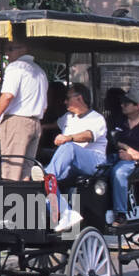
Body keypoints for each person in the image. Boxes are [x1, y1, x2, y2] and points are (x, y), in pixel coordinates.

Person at [37, 82, 108, 231]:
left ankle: (45, 175)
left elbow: (88, 135)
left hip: (95, 161)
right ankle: (65, 212)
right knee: (49, 183)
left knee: (67, 148)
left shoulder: (97, 118)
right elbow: (54, 125)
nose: (65, 102)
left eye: (68, 98)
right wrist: (41, 128)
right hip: (71, 164)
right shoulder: (68, 117)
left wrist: (68, 137)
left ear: (79, 98)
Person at [0, 40, 49, 180]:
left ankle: (8, 200)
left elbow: (7, 95)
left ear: (23, 49)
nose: (7, 53)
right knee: (26, 172)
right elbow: (44, 106)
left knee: (10, 171)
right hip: (36, 123)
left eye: (10, 49)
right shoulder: (40, 71)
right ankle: (23, 201)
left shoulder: (16, 67)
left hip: (17, 122)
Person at [110, 89, 139, 225]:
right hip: (116, 156)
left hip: (137, 162)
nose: (122, 105)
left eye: (126, 103)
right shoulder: (118, 121)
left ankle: (121, 213)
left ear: (137, 106)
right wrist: (127, 149)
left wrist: (131, 157)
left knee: (119, 173)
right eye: (122, 103)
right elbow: (114, 141)